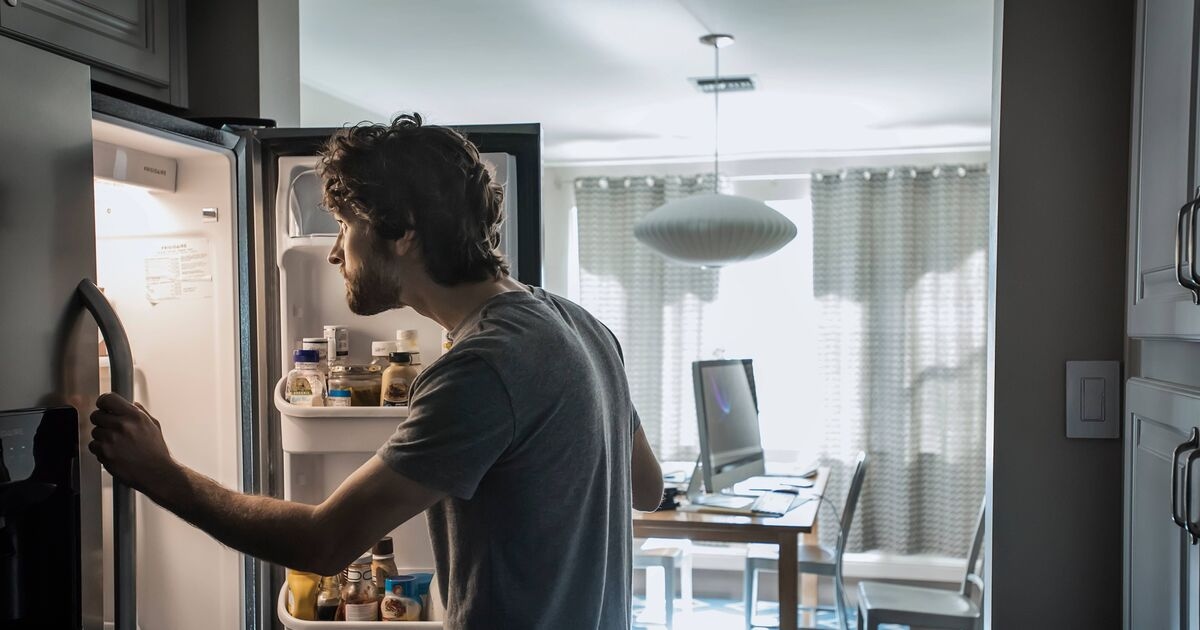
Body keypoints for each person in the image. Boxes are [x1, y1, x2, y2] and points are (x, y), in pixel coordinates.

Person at [88, 113, 664, 629]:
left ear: (402, 229)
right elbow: (646, 487)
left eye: (344, 225)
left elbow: (324, 542)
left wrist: (160, 473)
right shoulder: (578, 323)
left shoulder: (482, 367)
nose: (336, 252)